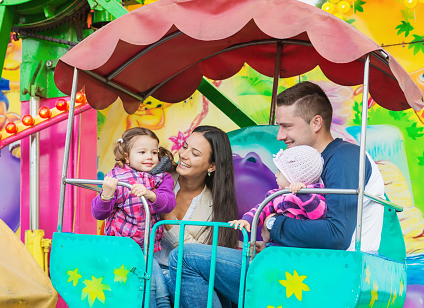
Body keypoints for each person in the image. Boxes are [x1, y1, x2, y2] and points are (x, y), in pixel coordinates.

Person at [168, 81, 386, 307]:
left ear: (316, 123)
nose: (280, 135)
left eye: (287, 126)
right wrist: (272, 243)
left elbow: (336, 234)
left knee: (185, 258)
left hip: (326, 276)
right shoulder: (316, 163)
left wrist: (273, 225)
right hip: (300, 266)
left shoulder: (344, 158)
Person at [90, 127, 176, 308]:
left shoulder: (162, 178)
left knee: (159, 291)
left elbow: (168, 203)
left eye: (154, 152)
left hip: (149, 248)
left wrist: (151, 195)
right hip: (123, 248)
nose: (150, 157)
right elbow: (99, 213)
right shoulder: (116, 178)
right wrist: (106, 195)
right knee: (144, 290)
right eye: (142, 152)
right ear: (127, 156)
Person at [154, 125, 239, 308]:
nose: (183, 155)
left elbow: (196, 256)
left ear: (212, 165)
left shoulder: (215, 206)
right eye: (185, 146)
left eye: (195, 153)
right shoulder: (158, 177)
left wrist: (167, 215)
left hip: (182, 278)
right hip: (148, 267)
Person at [229, 145, 326, 252]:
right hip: (277, 247)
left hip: (301, 251)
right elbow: (261, 209)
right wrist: (247, 220)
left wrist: (303, 194)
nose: (276, 175)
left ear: (293, 176)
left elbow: (318, 215)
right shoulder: (277, 195)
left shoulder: (313, 196)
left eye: (279, 171)